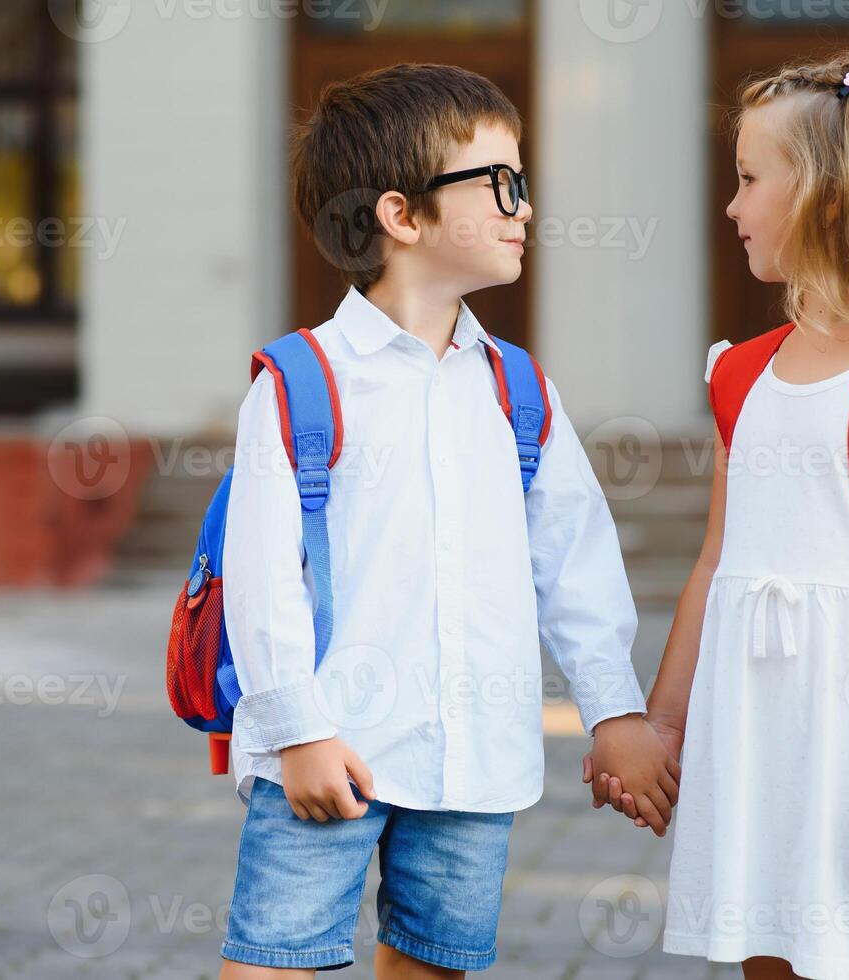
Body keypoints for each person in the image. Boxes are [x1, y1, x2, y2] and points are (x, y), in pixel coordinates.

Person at [219, 62, 678, 978]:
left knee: (431, 966)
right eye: (500, 183)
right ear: (401, 214)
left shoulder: (517, 388)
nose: (525, 207)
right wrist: (295, 729)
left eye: (525, 183)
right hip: (330, 753)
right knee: (272, 964)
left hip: (475, 764)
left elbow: (575, 560)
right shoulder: (302, 383)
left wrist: (614, 710)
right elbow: (263, 577)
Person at [589, 48, 849, 979]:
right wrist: (664, 724)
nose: (733, 207)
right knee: (769, 952)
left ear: (826, 194)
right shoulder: (740, 373)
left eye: (748, 180)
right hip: (761, 725)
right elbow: (715, 561)